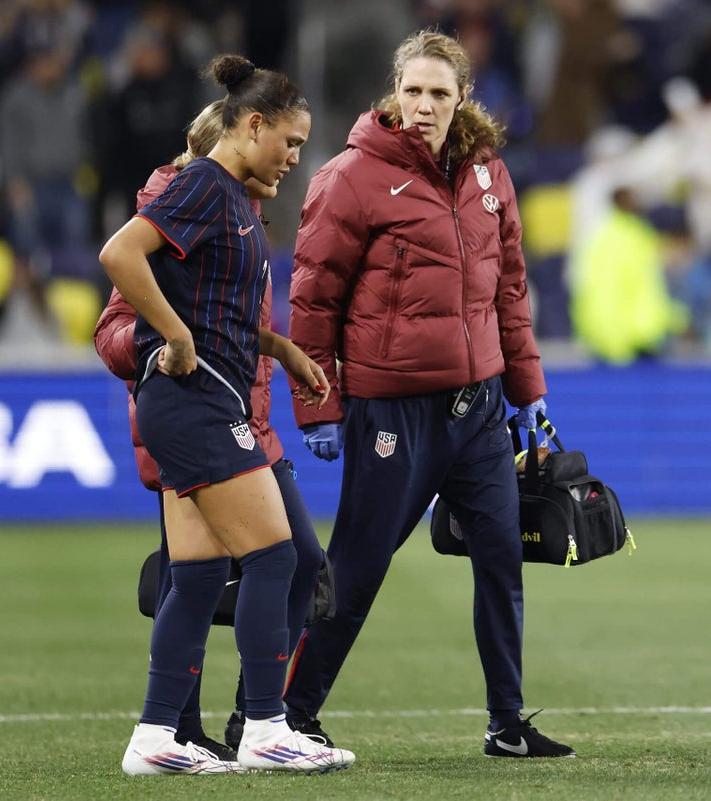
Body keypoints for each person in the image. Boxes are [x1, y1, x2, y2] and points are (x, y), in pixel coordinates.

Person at [285, 29, 576, 759]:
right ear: (394, 92)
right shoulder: (350, 176)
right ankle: (285, 715)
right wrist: (317, 404)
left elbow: (510, 292)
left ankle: (506, 722)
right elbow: (312, 300)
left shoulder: (488, 175)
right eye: (412, 90)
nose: (422, 105)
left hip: (478, 409)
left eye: (438, 93)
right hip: (392, 409)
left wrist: (526, 389)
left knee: (502, 559)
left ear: (461, 99)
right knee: (356, 565)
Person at [97, 54, 355, 776]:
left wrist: (279, 347)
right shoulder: (205, 185)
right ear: (253, 124)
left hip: (194, 400)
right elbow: (120, 254)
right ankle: (266, 726)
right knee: (277, 554)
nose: (296, 156)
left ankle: (155, 737)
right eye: (292, 141)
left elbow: (214, 307)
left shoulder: (232, 200)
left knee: (201, 573)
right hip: (198, 401)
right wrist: (172, 337)